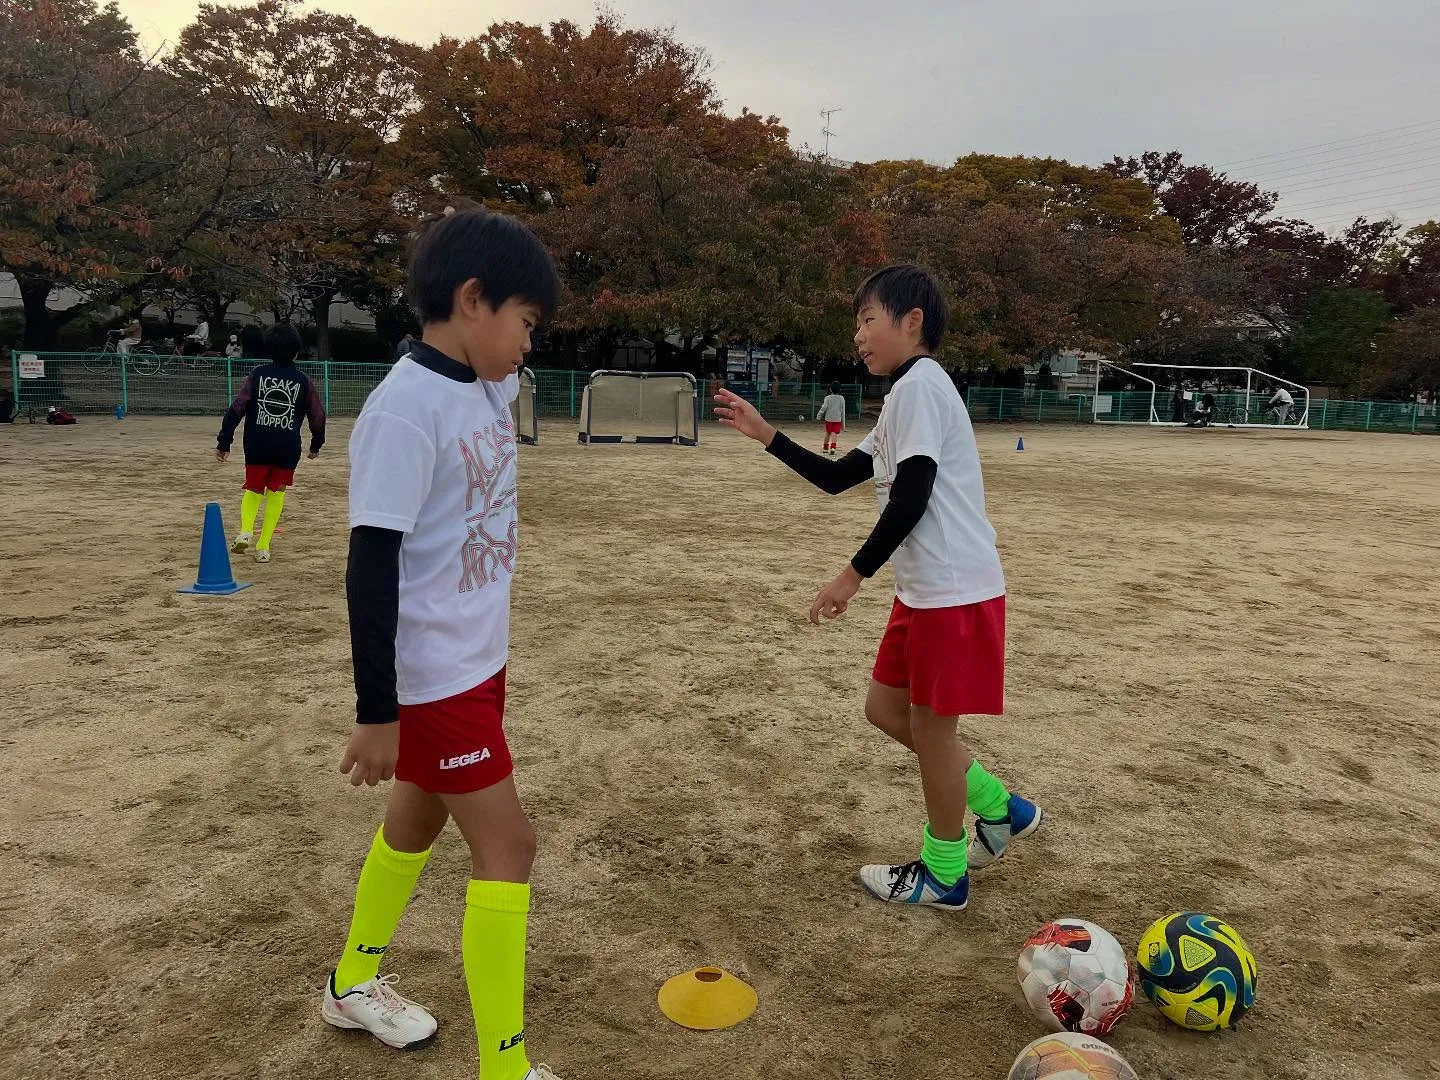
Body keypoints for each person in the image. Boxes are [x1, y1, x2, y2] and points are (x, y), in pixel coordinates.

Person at [714, 264, 1042, 911]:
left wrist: (851, 574)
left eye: (868, 320)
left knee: (933, 733)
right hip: (923, 594)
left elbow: (913, 496)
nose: (858, 335)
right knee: (884, 709)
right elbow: (840, 478)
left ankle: (944, 874)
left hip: (953, 594)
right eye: (856, 323)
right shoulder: (901, 400)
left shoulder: (921, 385)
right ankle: (1003, 809)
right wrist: (766, 434)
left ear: (911, 321)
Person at [323, 206, 564, 1080]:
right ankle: (505, 1069)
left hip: (477, 665)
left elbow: (492, 363)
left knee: (415, 824)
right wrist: (377, 713)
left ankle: (350, 983)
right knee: (511, 847)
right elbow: (369, 567)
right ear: (472, 300)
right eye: (525, 323)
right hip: (431, 682)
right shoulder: (403, 410)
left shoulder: (483, 382)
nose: (528, 347)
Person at [215, 322, 326, 563]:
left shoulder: (257, 375)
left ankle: (245, 531)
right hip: (287, 446)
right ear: (297, 351)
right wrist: (316, 444)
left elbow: (237, 408)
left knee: (253, 487)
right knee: (277, 492)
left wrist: (225, 440)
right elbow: (317, 415)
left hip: (257, 443)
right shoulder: (303, 381)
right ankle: (264, 546)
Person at [816, 381, 847, 454]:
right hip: (837, 419)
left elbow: (823, 408)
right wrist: (843, 425)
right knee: (834, 433)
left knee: (828, 433)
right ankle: (833, 447)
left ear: (830, 389)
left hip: (828, 419)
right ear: (840, 389)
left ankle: (825, 448)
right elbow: (843, 411)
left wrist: (819, 416)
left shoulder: (827, 398)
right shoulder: (841, 398)